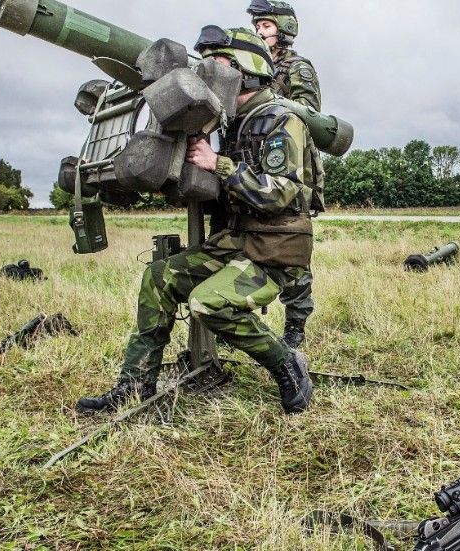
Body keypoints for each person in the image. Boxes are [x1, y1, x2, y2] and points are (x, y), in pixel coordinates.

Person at [77, 27, 318, 416]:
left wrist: (216, 163)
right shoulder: (229, 121)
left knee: (208, 303)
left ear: (246, 68)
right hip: (235, 241)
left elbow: (281, 193)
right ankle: (134, 385)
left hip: (275, 247)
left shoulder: (280, 119)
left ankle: (287, 364)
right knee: (159, 277)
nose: (204, 73)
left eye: (215, 64)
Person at [248, 0, 320, 348]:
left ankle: (295, 324)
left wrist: (270, 98)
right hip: (254, 161)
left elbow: (310, 116)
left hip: (289, 161)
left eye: (264, 25)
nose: (259, 31)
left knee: (292, 249)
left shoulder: (296, 67)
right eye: (257, 26)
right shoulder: (251, 64)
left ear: (284, 28)